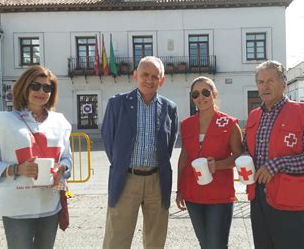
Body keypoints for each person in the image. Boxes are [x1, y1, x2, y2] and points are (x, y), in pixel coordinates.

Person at [0, 65, 72, 249]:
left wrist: (61, 169)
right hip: (18, 208)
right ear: (24, 87)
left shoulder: (60, 122)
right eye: (35, 86)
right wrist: (17, 169)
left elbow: (67, 159)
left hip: (50, 205)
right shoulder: (6, 122)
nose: (41, 92)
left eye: (47, 88)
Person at [101, 56, 178, 248]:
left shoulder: (169, 108)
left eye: (155, 76)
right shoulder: (117, 104)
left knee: (155, 239)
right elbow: (108, 140)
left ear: (162, 80)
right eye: (145, 75)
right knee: (116, 239)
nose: (149, 80)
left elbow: (169, 144)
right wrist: (122, 164)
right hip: (126, 178)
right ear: (135, 75)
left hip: (157, 181)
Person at [244, 60, 304, 249]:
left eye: (270, 80)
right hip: (259, 200)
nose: (265, 86)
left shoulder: (302, 113)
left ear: (283, 84)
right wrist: (243, 160)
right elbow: (246, 148)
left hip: (291, 201)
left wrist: (276, 164)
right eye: (261, 82)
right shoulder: (254, 115)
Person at [176, 76, 243, 249]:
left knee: (216, 245)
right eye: (195, 94)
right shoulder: (186, 124)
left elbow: (240, 156)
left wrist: (218, 165)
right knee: (204, 244)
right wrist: (179, 189)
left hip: (219, 195)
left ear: (214, 94)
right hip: (192, 193)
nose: (201, 97)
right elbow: (184, 157)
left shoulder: (229, 123)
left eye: (206, 92)